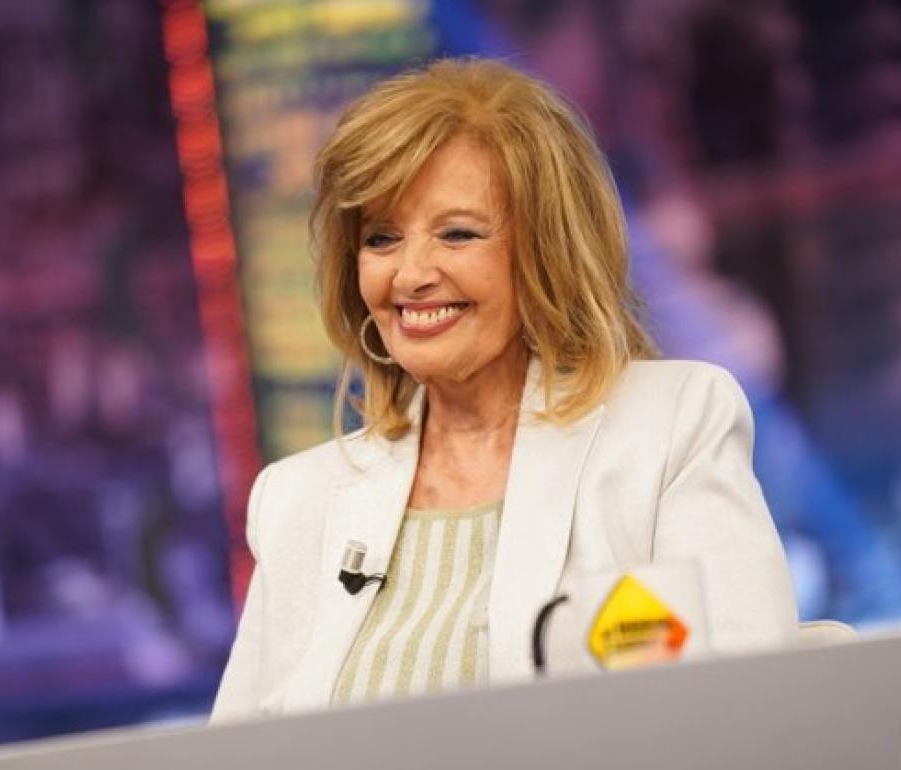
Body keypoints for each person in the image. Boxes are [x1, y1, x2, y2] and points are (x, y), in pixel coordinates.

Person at [211, 57, 798, 722]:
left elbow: (755, 716)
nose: (410, 274)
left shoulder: (670, 427)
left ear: (547, 249)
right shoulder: (296, 501)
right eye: (381, 238)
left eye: (457, 233)